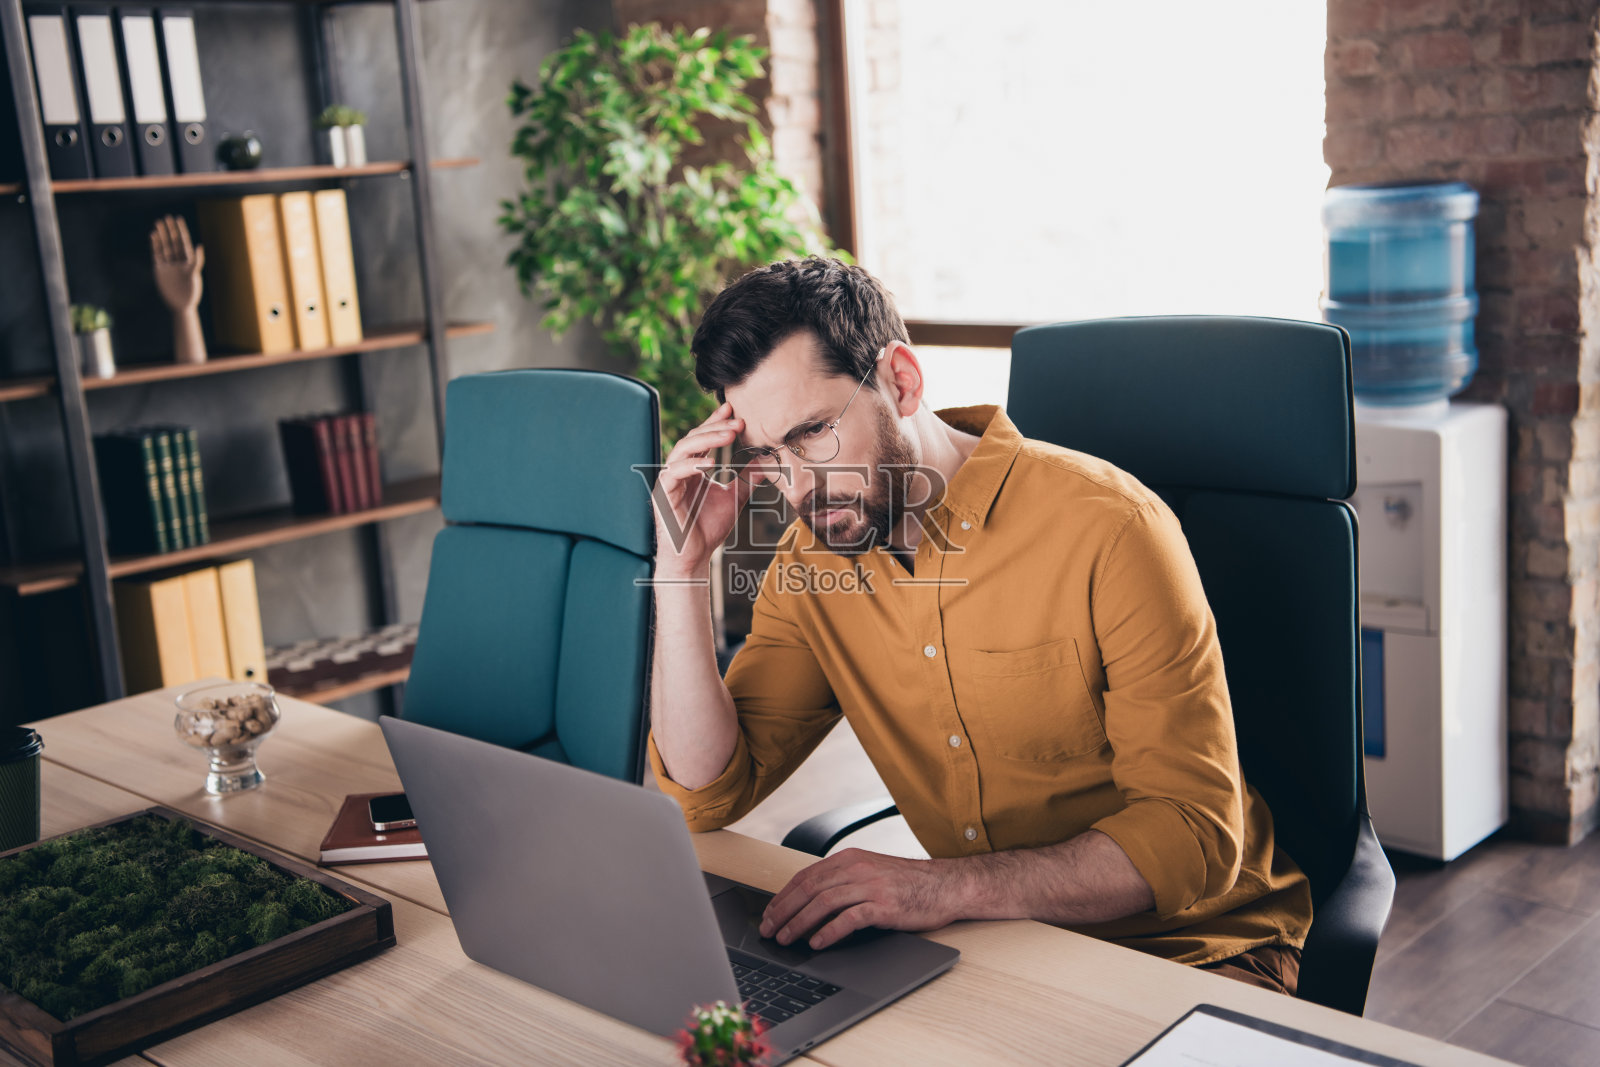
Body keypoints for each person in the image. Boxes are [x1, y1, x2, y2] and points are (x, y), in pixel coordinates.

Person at [647, 257, 1312, 995]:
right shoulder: (814, 561)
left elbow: (1193, 836)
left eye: (812, 434)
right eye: (768, 456)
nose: (798, 486)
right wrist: (682, 566)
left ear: (900, 380)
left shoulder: (1114, 529)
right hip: (994, 949)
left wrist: (940, 889)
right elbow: (705, 791)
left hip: (1197, 953)